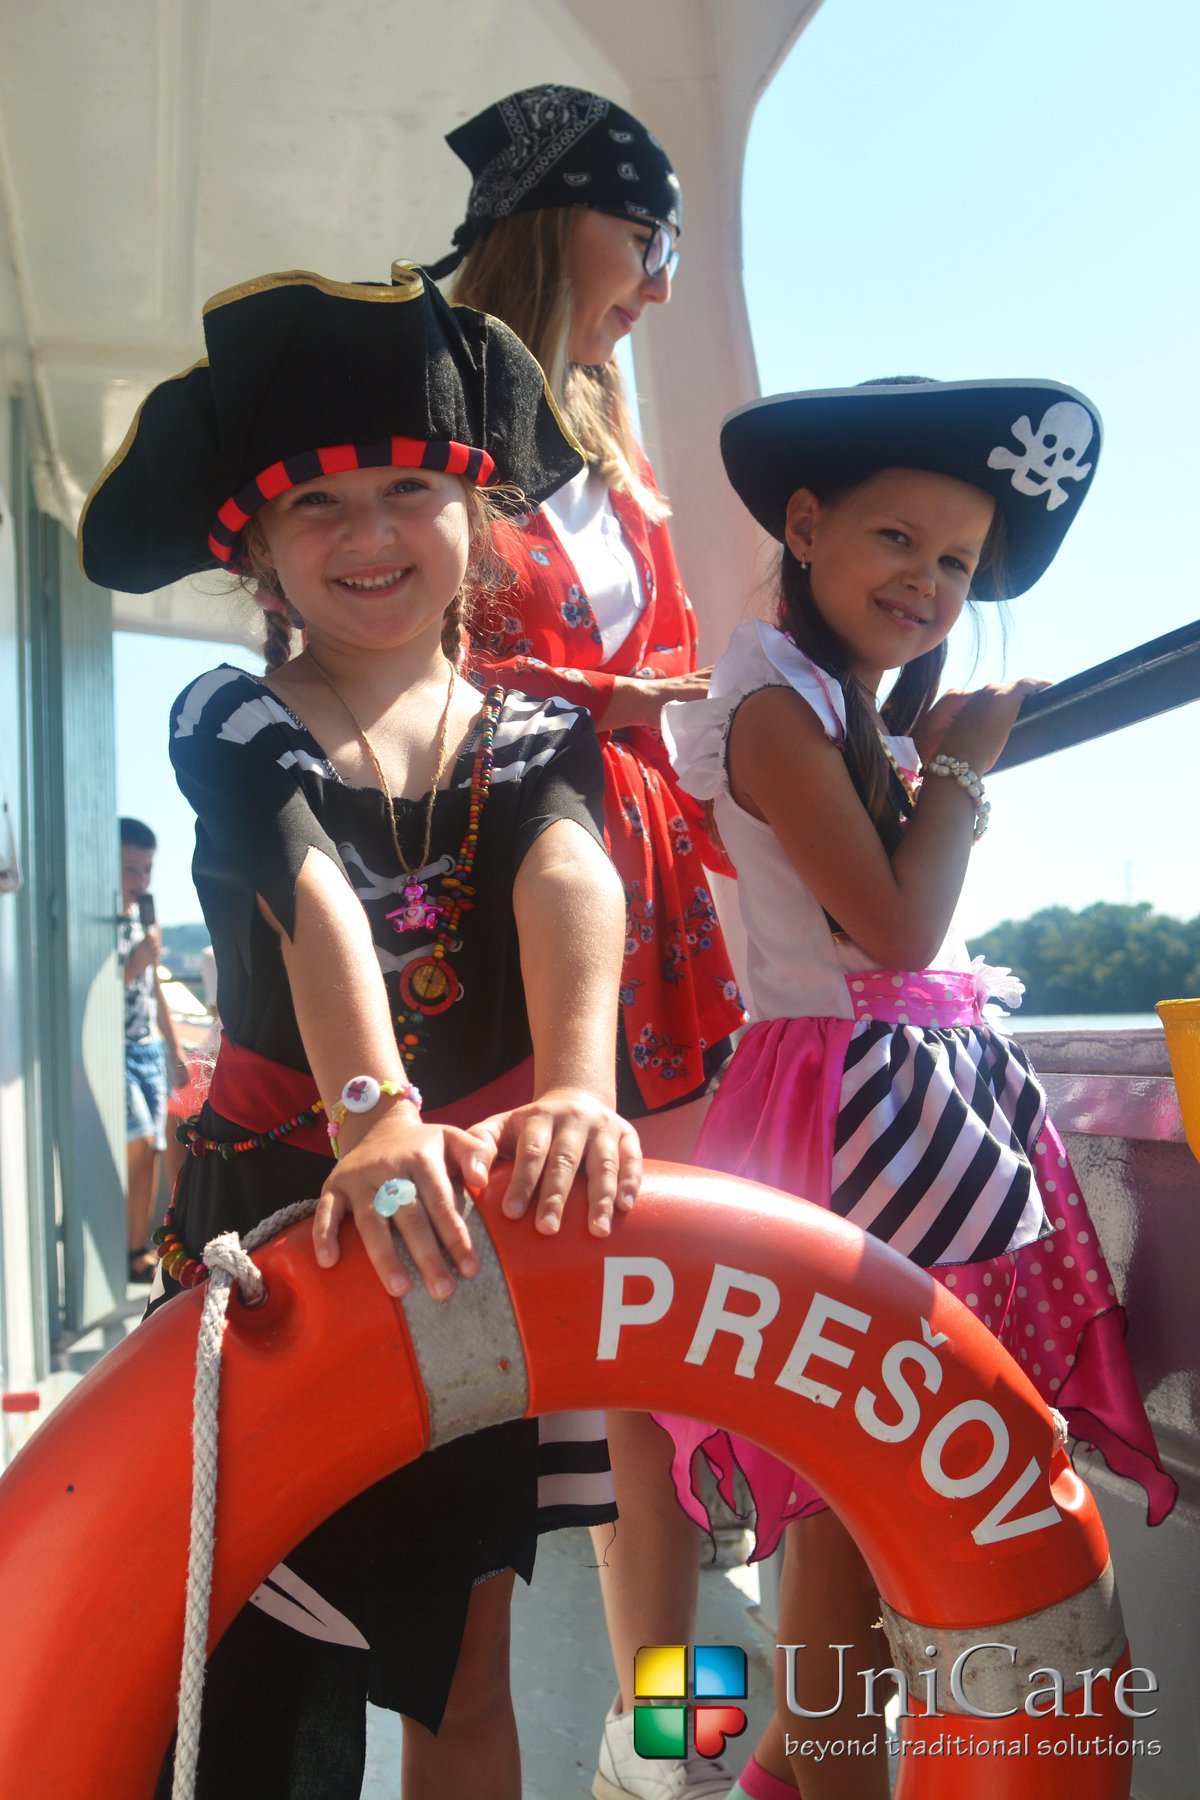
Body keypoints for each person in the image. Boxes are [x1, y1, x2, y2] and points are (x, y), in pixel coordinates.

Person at [80, 264, 641, 1800]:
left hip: (479, 1246)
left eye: (408, 489)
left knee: (462, 1667)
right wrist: (376, 1114)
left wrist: (579, 1087)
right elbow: (305, 886)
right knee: (264, 1647)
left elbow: (570, 877)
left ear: (478, 513)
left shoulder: (542, 734)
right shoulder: (232, 716)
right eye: (315, 504)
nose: (369, 533)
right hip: (287, 1220)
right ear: (254, 551)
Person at [652, 377, 1177, 1800]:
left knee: (887, 1488)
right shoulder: (773, 711)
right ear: (804, 528)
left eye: (957, 559)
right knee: (852, 1498)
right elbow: (893, 931)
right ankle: (782, 1773)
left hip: (909, 1115)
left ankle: (777, 1774)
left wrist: (927, 755)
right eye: (896, 538)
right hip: (853, 1121)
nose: (929, 581)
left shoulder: (840, 712)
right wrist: (957, 770)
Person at [428, 85, 748, 1800]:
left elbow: (672, 691)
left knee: (665, 1347)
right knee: (509, 1355)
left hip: (660, 905)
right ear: (559, 224)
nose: (667, 280)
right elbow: (396, 665)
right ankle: (471, 1722)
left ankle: (665, 1740)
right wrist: (597, 700)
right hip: (504, 905)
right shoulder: (437, 414)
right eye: (649, 235)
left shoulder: (620, 459)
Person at [119, 816, 188, 1281]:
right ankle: (131, 1250)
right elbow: (89, 997)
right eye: (130, 868)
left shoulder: (144, 922)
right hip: (115, 1049)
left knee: (159, 1146)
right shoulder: (98, 923)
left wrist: (176, 1048)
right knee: (142, 1144)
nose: (140, 880)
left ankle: (141, 1249)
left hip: (148, 1048)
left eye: (146, 870)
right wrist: (135, 962)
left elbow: (155, 988)